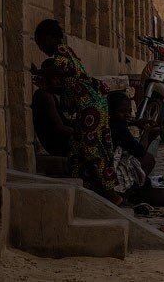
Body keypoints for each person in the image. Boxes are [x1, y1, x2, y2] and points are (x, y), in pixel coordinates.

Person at [34, 19, 120, 203]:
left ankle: (111, 194)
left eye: (41, 43)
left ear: (49, 38)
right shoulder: (67, 53)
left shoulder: (61, 52)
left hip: (91, 106)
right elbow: (68, 83)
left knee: (92, 149)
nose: (41, 48)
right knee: (78, 148)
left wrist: (40, 73)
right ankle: (91, 189)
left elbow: (59, 70)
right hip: (92, 104)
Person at [31, 71, 73, 158]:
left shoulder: (50, 95)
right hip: (56, 144)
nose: (58, 82)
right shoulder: (44, 95)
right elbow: (59, 127)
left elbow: (64, 121)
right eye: (55, 78)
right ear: (46, 78)